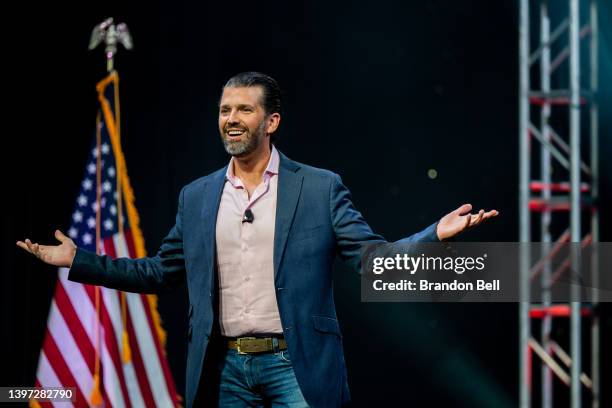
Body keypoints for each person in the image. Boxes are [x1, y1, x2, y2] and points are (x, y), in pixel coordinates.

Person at [18, 72, 498, 407]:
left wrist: (434, 234)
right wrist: (78, 259)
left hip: (296, 366)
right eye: (225, 109)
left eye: (244, 109)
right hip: (224, 370)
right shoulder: (197, 197)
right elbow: (159, 272)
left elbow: (373, 259)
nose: (231, 118)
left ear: (271, 121)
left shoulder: (319, 187)